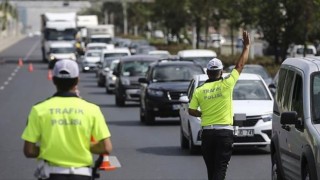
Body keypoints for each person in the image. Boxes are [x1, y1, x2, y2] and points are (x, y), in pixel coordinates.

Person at [21, 59, 112, 180]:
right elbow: (106, 148)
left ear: (53, 80)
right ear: (77, 81)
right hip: (82, 174)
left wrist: (50, 148)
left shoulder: (39, 110)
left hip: (51, 174)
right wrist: (81, 145)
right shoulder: (92, 110)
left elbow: (29, 151)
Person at [188, 31, 250, 180]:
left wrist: (202, 114)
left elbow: (191, 110)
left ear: (207, 73)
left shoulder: (200, 90)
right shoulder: (227, 84)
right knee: (220, 170)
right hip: (224, 134)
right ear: (221, 72)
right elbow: (240, 65)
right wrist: (246, 47)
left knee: (212, 171)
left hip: (208, 135)